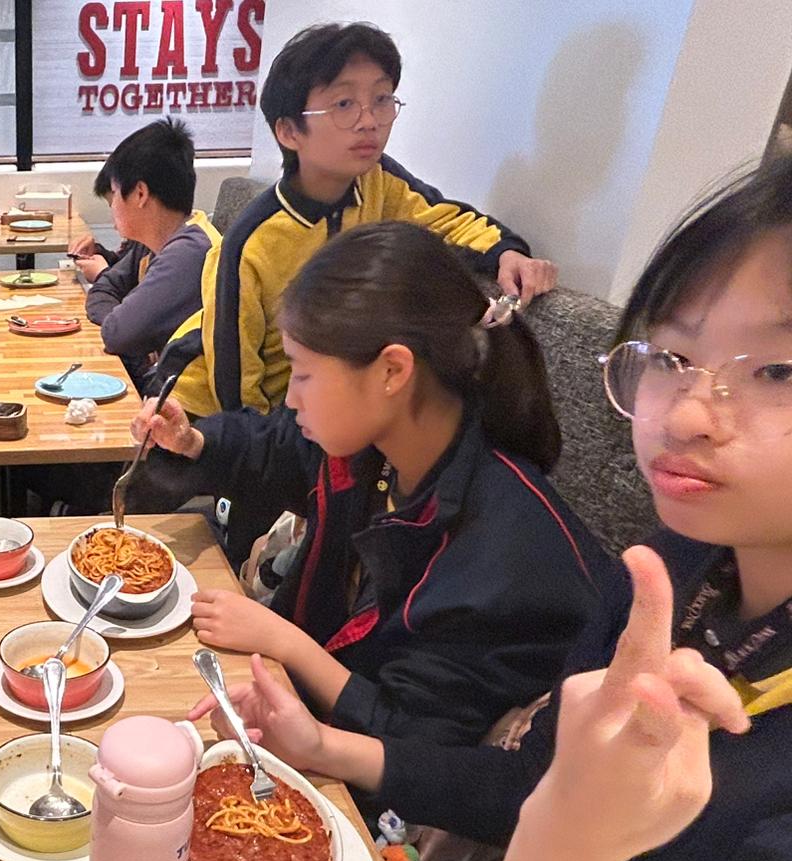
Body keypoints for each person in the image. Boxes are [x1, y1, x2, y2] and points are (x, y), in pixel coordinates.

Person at [200, 157, 792, 861]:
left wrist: (565, 841)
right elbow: (527, 781)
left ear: (394, 372)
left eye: (777, 372)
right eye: (671, 356)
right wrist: (327, 746)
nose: (689, 411)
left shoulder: (513, 556)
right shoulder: (675, 570)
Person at [140, 222, 606, 752]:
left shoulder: (500, 555)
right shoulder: (381, 446)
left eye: (303, 374)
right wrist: (194, 441)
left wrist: (284, 641)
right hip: (317, 718)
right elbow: (279, 446)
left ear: (391, 371)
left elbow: (416, 743)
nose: (291, 397)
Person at [162, 22, 559, 420]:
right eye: (343, 104)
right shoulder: (250, 244)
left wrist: (506, 254)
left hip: (322, 415)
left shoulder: (379, 182)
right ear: (289, 131)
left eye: (381, 99)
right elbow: (235, 396)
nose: (369, 121)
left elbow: (446, 220)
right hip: (205, 412)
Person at [78, 118, 219, 393]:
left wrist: (123, 320)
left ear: (140, 194)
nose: (112, 208)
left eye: (115, 195)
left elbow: (117, 333)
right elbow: (105, 288)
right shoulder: (151, 242)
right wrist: (124, 320)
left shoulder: (189, 252)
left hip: (181, 402)